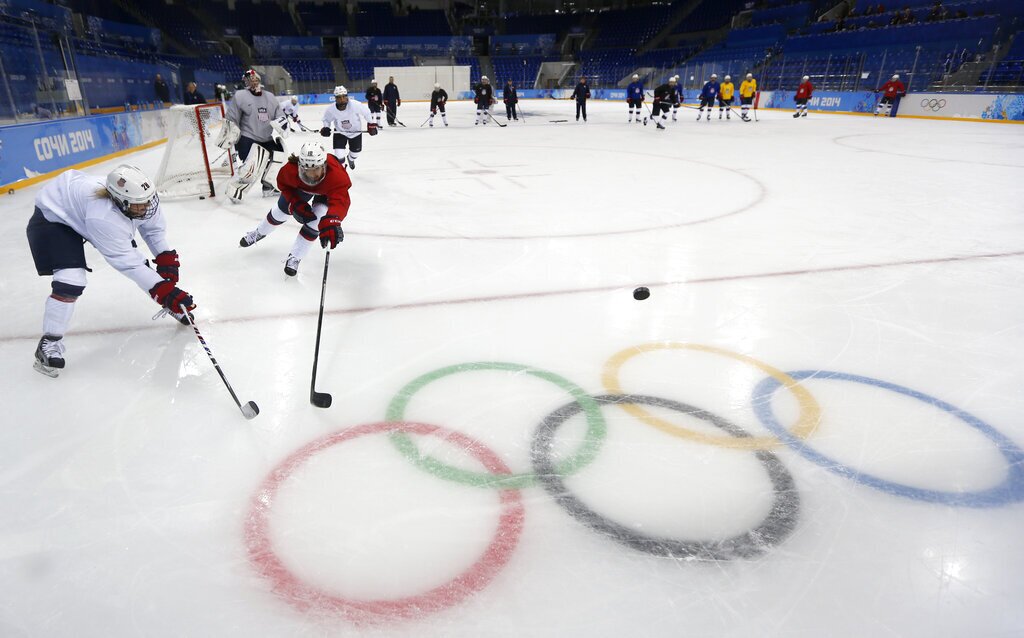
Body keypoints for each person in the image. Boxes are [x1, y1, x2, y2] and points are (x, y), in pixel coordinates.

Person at [26, 165, 195, 377]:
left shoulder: (142, 198)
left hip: (78, 206)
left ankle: (169, 303)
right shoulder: (103, 217)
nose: (146, 207)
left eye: (148, 201)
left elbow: (153, 231)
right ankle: (49, 343)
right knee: (71, 280)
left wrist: (166, 260)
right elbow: (129, 263)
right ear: (120, 202)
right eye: (139, 205)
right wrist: (164, 290)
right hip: (54, 216)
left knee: (147, 273)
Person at [238, 143, 351, 277]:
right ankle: (259, 232)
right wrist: (294, 203)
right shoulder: (290, 170)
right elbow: (284, 186)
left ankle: (295, 256)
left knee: (317, 220)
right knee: (281, 211)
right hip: (301, 188)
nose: (312, 175)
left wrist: (333, 220)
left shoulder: (337, 176)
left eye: (316, 169)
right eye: (306, 170)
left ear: (324, 165)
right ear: (299, 165)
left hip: (325, 192)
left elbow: (340, 201)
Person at [218, 69, 286, 202]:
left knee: (279, 155)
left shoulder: (270, 97)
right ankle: (236, 189)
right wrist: (229, 138)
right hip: (247, 138)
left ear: (260, 80)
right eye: (250, 80)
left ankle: (269, 186)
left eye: (255, 79)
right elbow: (232, 118)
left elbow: (280, 115)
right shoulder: (240, 96)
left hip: (266, 138)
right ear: (245, 82)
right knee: (255, 162)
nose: (253, 82)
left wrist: (282, 124)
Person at [320, 85, 376, 170]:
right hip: (340, 132)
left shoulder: (355, 105)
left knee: (355, 153)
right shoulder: (331, 109)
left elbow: (367, 113)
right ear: (335, 98)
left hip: (355, 133)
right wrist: (326, 128)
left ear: (347, 96)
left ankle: (350, 159)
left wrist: (371, 124)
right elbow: (326, 120)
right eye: (339, 97)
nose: (342, 100)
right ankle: (342, 171)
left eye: (344, 97)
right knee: (339, 155)